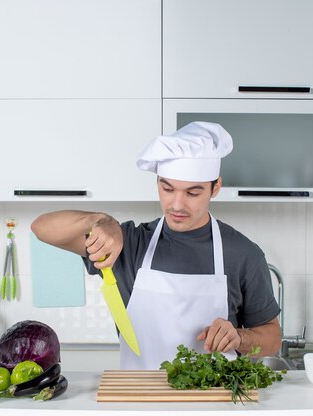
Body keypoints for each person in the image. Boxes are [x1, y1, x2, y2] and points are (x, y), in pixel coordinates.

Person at [31, 121, 281, 370]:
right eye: (168, 188)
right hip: (140, 399)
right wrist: (99, 220)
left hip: (213, 402)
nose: (177, 205)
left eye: (192, 193)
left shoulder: (243, 254)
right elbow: (41, 228)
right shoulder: (127, 244)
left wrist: (239, 337)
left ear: (215, 187)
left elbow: (272, 338)